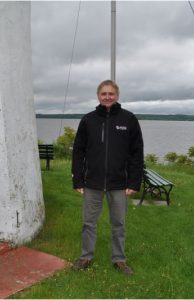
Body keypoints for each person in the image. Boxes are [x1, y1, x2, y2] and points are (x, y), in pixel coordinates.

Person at [71, 80, 143, 275]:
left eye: (111, 93)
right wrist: (78, 179)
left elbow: (137, 153)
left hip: (119, 183)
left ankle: (119, 259)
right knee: (88, 222)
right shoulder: (88, 120)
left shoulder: (129, 119)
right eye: (104, 93)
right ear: (98, 96)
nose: (107, 97)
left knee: (118, 223)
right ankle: (86, 256)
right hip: (92, 182)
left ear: (117, 95)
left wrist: (134, 182)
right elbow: (78, 151)